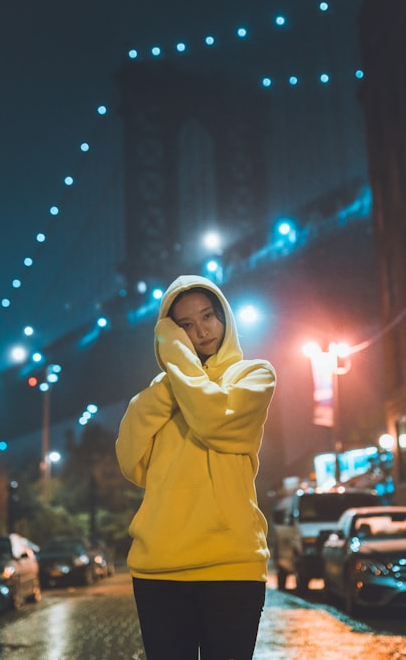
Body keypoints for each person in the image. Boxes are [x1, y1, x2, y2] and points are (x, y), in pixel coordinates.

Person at [116, 274, 277, 660]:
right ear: (168, 334)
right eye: (184, 325)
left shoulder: (254, 375)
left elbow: (211, 421)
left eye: (208, 316)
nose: (200, 331)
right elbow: (130, 462)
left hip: (232, 565)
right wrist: (175, 375)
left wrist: (176, 369)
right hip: (159, 568)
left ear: (225, 318)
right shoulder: (158, 392)